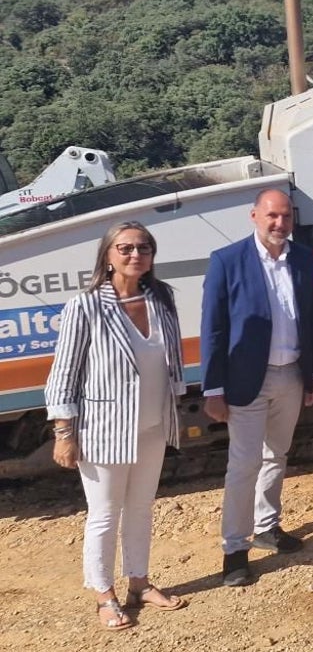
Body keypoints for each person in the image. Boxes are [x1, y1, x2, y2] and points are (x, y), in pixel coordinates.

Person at [45, 221, 188, 631]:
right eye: (125, 248)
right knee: (104, 514)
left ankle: (139, 583)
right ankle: (104, 595)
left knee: (142, 509)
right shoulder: (86, 306)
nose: (135, 254)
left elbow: (170, 360)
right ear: (107, 255)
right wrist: (64, 433)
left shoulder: (161, 298)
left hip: (153, 425)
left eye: (144, 247)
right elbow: (64, 375)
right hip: (104, 430)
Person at [201, 189, 313, 586]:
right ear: (254, 215)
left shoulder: (303, 258)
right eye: (272, 216)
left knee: (278, 455)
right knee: (243, 465)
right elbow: (213, 327)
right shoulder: (227, 260)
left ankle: (267, 528)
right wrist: (212, 389)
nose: (279, 224)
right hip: (245, 381)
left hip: (291, 375)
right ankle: (234, 551)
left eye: (286, 217)